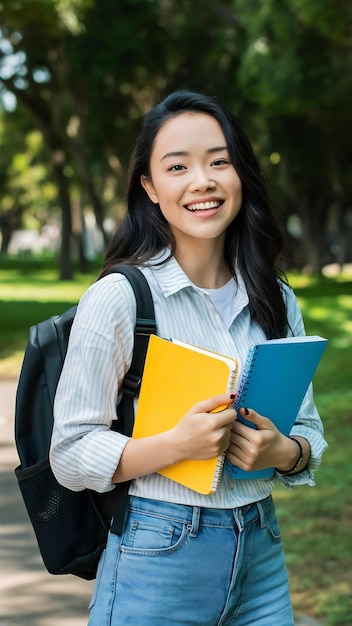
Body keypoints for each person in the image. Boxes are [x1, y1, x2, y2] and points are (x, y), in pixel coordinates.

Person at [50, 90, 327, 625]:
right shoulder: (120, 297)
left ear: (240, 174)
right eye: (177, 167)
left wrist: (283, 451)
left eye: (219, 162)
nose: (202, 181)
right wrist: (175, 446)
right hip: (158, 555)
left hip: (261, 551)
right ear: (150, 188)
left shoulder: (276, 297)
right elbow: (70, 450)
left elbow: (308, 432)